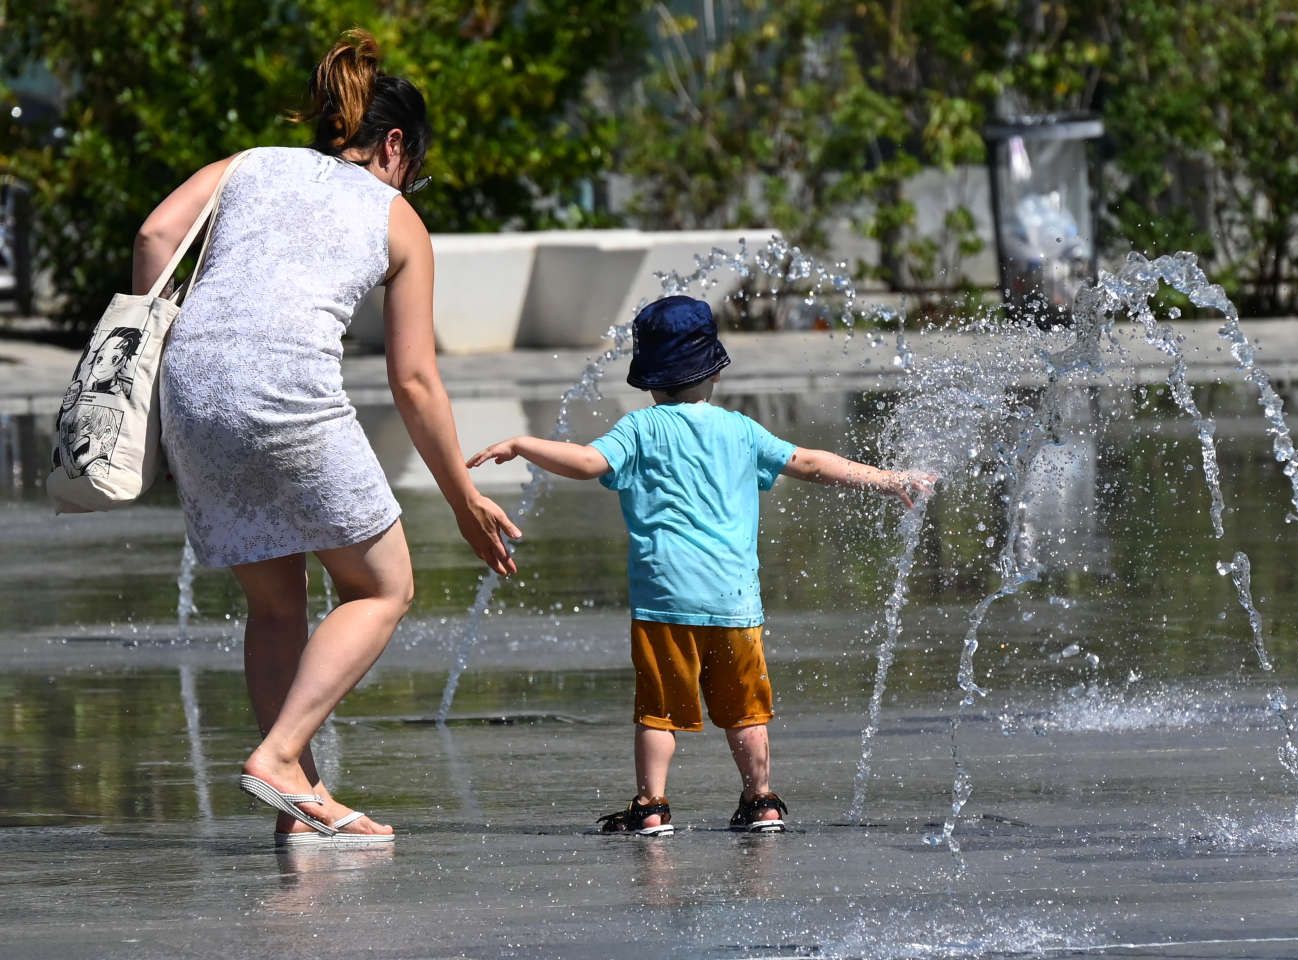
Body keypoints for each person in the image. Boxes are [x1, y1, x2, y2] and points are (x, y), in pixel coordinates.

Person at [135, 29, 520, 844]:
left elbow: (155, 238)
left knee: (275, 608)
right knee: (383, 586)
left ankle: (301, 804)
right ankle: (278, 757)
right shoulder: (394, 216)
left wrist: (162, 357)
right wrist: (463, 500)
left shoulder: (248, 164)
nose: (414, 181)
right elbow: (414, 382)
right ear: (392, 145)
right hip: (283, 391)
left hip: (191, 385)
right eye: (417, 165)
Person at [469, 295, 934, 835]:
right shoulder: (740, 429)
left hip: (665, 598)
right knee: (747, 711)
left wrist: (525, 444)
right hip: (734, 602)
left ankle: (651, 806)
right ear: (713, 371)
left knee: (658, 710)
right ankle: (760, 800)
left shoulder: (639, 429)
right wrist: (889, 479)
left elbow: (588, 462)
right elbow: (809, 463)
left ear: (648, 379)